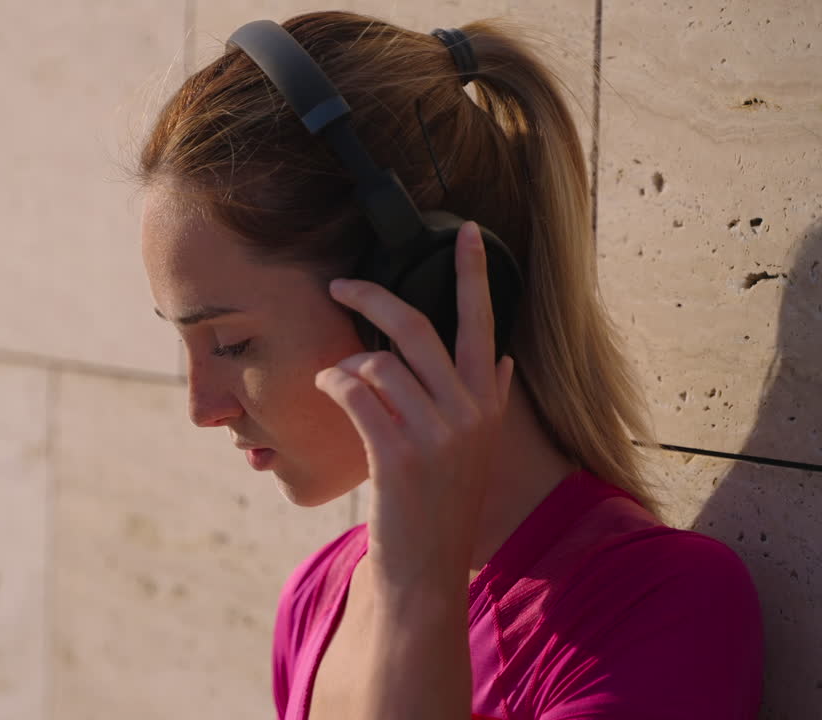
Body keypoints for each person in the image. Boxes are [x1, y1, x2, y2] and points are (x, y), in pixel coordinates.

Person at [133, 10, 763, 720]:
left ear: (420, 299)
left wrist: (417, 593)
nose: (201, 407)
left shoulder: (661, 607)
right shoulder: (319, 598)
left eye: (232, 344)